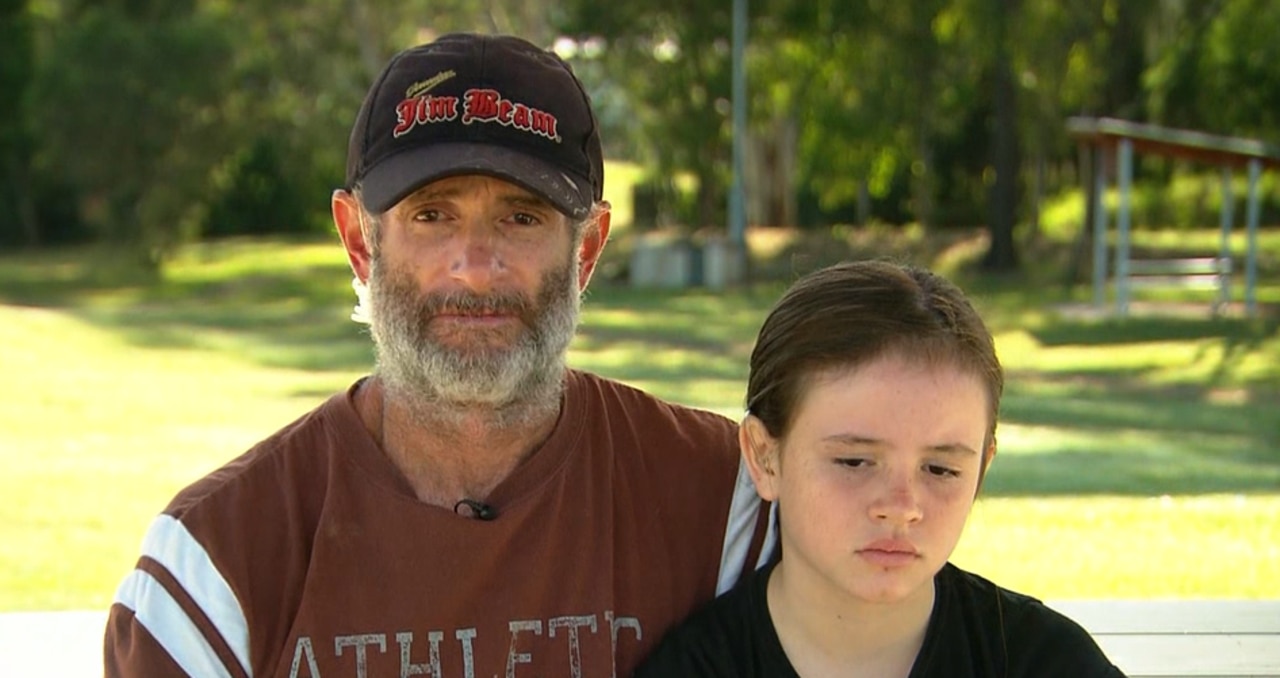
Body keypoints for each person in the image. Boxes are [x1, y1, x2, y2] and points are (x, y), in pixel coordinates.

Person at [104, 33, 773, 678]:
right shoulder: (218, 563)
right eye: (431, 215)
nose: (477, 270)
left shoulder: (727, 508)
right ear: (359, 242)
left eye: (522, 217)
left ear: (587, 249)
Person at [633, 260, 1126, 677]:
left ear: (982, 467)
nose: (901, 507)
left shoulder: (1043, 662)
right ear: (765, 456)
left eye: (940, 469)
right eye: (854, 461)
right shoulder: (695, 667)